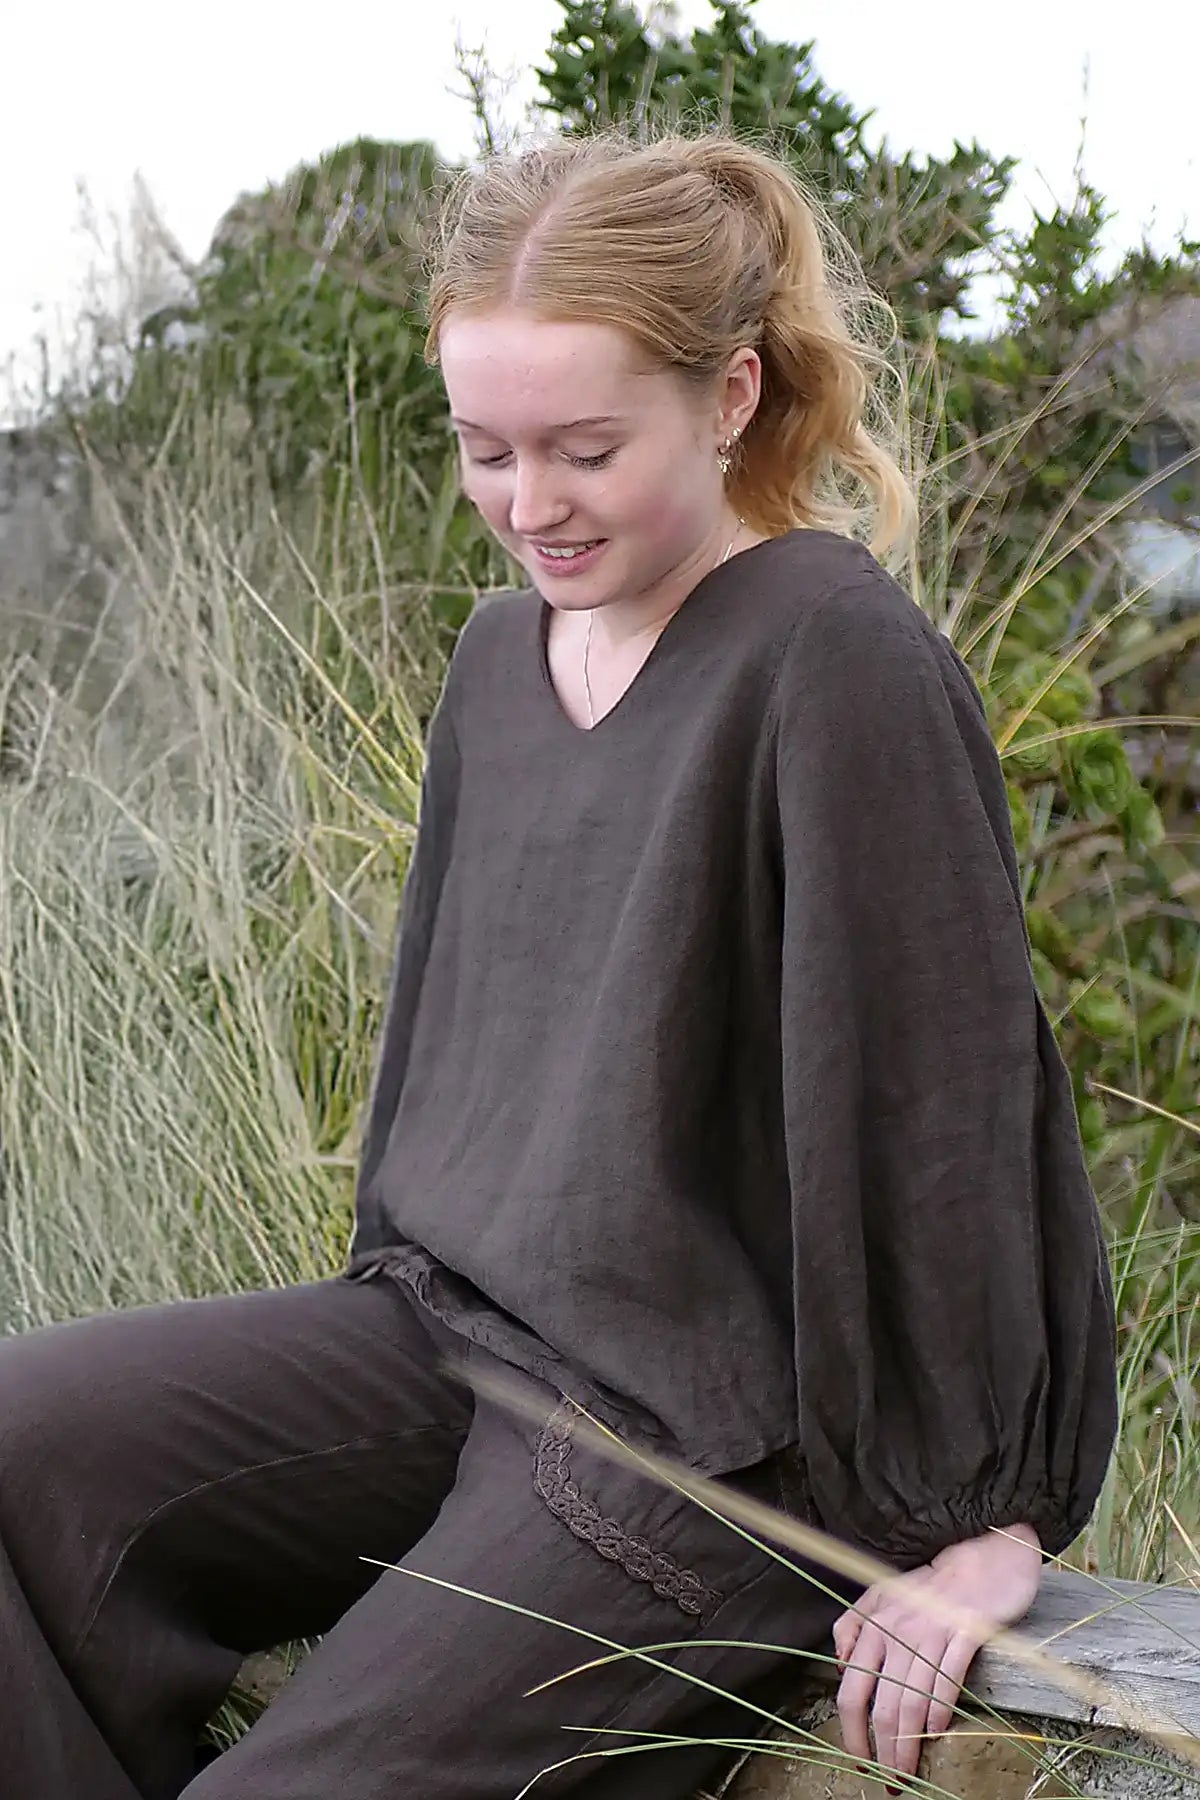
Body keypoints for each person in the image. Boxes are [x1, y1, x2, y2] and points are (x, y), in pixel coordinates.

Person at [0, 124, 1117, 1800]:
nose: (531, 508)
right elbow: (450, 1047)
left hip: (703, 1440)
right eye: (486, 450)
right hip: (448, 1338)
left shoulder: (832, 655)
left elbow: (940, 1106)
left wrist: (983, 1519)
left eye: (586, 448)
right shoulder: (496, 657)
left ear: (730, 397)